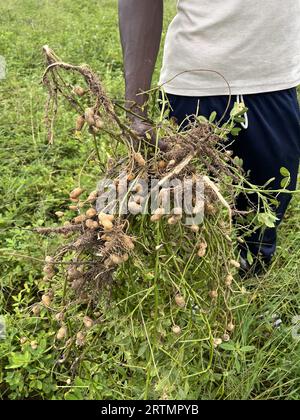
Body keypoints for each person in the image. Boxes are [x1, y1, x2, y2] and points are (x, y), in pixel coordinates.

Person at [118, 0, 300, 274]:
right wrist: (135, 111)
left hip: (277, 83)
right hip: (194, 88)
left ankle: (249, 294)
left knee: (263, 217)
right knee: (180, 216)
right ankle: (182, 301)